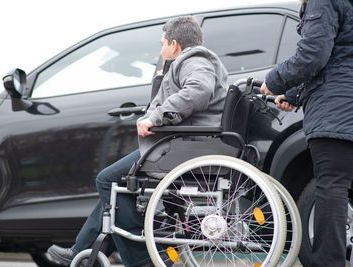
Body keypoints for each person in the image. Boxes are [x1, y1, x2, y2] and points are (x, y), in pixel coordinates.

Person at [48, 15, 228, 267]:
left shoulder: (194, 61)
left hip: (181, 146)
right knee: (113, 186)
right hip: (179, 143)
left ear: (174, 45)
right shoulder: (189, 62)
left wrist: (157, 116)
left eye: (162, 43)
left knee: (108, 179)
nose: (161, 49)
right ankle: (84, 251)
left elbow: (199, 89)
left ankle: (140, 257)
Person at [260, 0, 353, 266]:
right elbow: (340, 57)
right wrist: (293, 94)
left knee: (331, 186)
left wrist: (274, 80)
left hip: (338, 108)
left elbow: (313, 54)